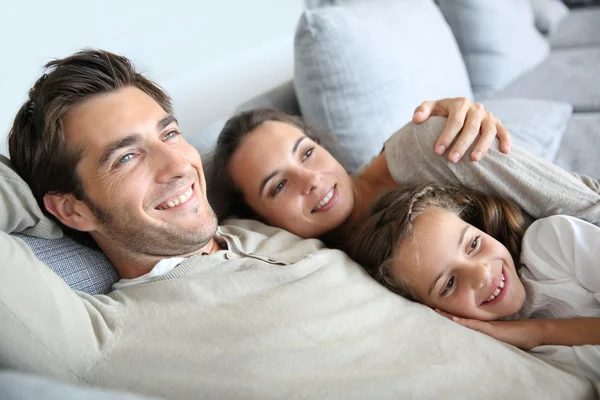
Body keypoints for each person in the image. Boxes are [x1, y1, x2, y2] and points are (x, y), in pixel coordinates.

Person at [6, 49, 597, 398]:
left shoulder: (270, 229)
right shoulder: (98, 339)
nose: (177, 167)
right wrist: (34, 196)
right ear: (71, 208)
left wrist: (435, 130)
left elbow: (369, 185)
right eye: (126, 156)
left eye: (169, 134)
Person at [210, 107, 600, 247]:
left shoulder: (426, 144)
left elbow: (587, 208)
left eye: (307, 153)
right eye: (278, 186)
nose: (309, 180)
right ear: (262, 221)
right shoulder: (343, 262)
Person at [344, 183, 600, 380]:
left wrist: (538, 333)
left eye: (473, 244)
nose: (481, 274)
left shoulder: (552, 244)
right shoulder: (494, 356)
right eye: (448, 284)